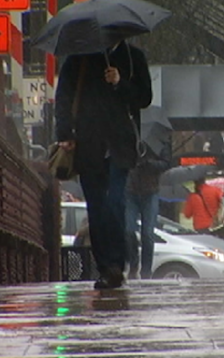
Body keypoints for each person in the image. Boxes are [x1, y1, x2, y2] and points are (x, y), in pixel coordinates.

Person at [55, 40, 152, 289]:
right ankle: (106, 267)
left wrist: (120, 82)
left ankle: (117, 265)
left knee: (115, 202)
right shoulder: (79, 58)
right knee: (96, 207)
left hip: (120, 146)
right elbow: (64, 94)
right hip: (88, 145)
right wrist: (64, 132)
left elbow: (144, 98)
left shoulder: (132, 57)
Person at [125, 137, 172, 280]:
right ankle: (133, 264)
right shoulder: (129, 134)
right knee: (128, 230)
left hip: (150, 191)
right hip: (131, 190)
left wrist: (149, 163)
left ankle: (146, 271)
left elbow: (166, 163)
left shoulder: (159, 139)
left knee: (148, 234)